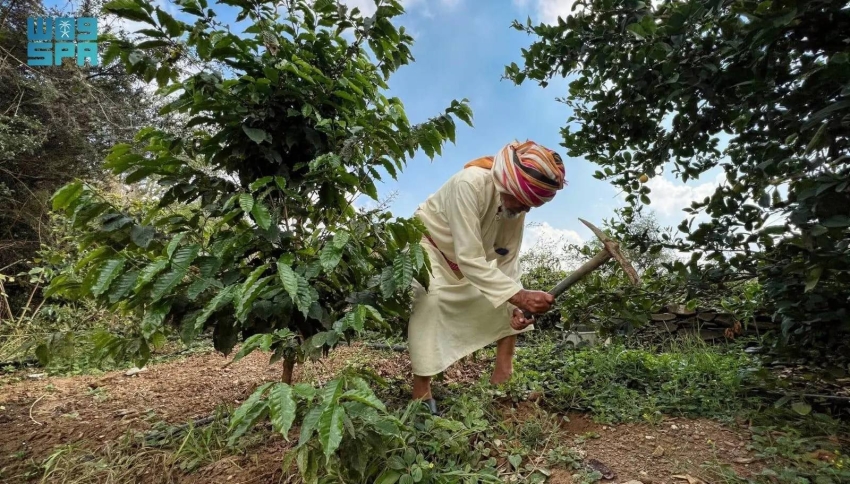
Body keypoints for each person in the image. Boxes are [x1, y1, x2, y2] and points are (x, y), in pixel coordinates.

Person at [408, 139, 567, 414]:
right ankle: (421, 391)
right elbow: (470, 257)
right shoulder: (469, 184)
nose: (525, 209)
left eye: (531, 205)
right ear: (508, 184)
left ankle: (503, 377)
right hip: (430, 250)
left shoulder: (514, 207)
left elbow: (506, 258)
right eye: (524, 201)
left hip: (469, 264)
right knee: (431, 301)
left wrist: (516, 303)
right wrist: (519, 296)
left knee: (508, 298)